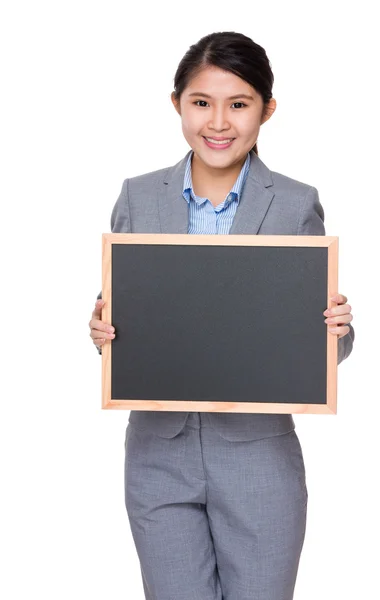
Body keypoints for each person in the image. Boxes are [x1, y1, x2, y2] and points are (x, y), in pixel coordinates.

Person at [89, 31, 354, 600]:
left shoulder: (293, 203)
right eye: (201, 102)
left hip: (258, 456)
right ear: (177, 104)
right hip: (158, 453)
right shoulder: (138, 197)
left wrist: (338, 330)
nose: (219, 122)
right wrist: (103, 332)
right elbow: (127, 319)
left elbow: (317, 340)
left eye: (239, 104)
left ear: (267, 110)